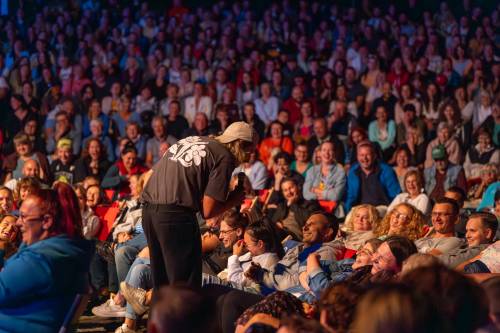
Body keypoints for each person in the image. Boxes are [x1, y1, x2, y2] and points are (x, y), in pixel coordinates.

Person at [141, 122, 257, 289]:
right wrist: (234, 199)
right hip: (174, 218)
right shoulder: (224, 156)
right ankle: (183, 315)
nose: (250, 155)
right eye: (251, 150)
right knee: (183, 286)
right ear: (240, 144)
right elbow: (208, 211)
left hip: (149, 211)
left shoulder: (193, 139)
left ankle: (159, 315)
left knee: (162, 283)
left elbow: (148, 176)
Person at [0, 183, 93, 333]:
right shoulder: (64, 252)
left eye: (23, 217)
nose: (17, 223)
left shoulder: (39, 261)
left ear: (46, 221)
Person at [345, 140, 401, 212]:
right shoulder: (353, 171)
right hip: (360, 209)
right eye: (361, 155)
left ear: (374, 156)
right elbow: (350, 196)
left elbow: (396, 195)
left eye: (368, 155)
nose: (364, 158)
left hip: (382, 208)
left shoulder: (386, 170)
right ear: (357, 157)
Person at [303, 141, 346, 210]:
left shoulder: (340, 172)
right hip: (313, 208)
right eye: (324, 150)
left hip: (332, 210)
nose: (327, 153)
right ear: (320, 152)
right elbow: (306, 194)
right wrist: (328, 193)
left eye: (330, 150)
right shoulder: (311, 170)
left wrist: (316, 190)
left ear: (334, 153)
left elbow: (336, 196)